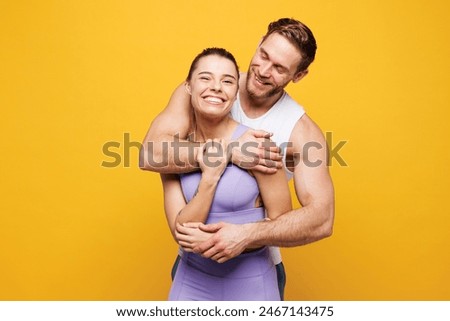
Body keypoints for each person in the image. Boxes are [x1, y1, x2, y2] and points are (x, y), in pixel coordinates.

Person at [140, 18, 335, 299]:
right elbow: (150, 154)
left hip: (253, 269)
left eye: (279, 68)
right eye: (264, 55)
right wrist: (230, 151)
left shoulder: (301, 132)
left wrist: (245, 235)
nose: (264, 71)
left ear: (299, 75)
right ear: (258, 43)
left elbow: (322, 219)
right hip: (193, 267)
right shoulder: (207, 87)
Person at [163, 47, 291, 300]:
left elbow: (282, 226)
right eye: (205, 78)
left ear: (235, 95)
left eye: (227, 81)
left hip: (252, 282)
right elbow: (181, 231)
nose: (216, 87)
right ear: (188, 86)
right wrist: (210, 178)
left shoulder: (258, 145)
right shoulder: (173, 152)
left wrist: (240, 237)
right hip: (191, 281)